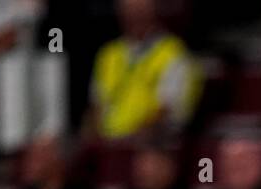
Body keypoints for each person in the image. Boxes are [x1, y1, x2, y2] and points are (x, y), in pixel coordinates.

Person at [86, 0, 200, 140]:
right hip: (108, 144)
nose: (134, 16)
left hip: (153, 144)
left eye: (141, 11)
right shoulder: (109, 54)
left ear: (154, 12)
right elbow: (96, 107)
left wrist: (133, 139)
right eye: (129, 10)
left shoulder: (174, 53)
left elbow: (167, 113)